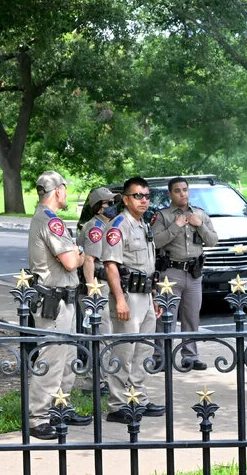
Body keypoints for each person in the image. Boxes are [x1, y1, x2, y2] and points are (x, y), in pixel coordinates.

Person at [26, 170, 92, 439]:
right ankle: (38, 417)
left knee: (67, 359)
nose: (66, 194)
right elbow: (69, 261)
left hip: (63, 299)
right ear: (58, 191)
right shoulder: (51, 222)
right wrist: (80, 253)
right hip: (53, 301)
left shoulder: (44, 218)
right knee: (52, 359)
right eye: (65, 189)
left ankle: (60, 408)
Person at [101, 176, 165, 423]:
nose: (144, 200)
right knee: (124, 351)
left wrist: (154, 297)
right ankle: (118, 405)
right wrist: (119, 300)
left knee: (143, 350)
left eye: (147, 196)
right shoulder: (118, 226)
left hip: (145, 295)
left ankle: (138, 398)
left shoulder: (143, 224)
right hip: (128, 295)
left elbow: (147, 267)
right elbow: (111, 266)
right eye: (138, 196)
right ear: (126, 199)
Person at [151, 177, 218, 370]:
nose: (183, 194)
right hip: (171, 273)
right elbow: (155, 242)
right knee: (166, 317)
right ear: (170, 194)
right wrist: (175, 226)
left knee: (192, 316)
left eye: (185, 190)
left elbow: (213, 241)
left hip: (194, 273)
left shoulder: (200, 214)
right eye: (178, 190)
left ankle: (190, 357)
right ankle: (161, 357)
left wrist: (199, 225)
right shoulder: (162, 216)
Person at [75, 187, 120, 397]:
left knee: (108, 334)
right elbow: (89, 260)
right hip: (98, 286)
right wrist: (93, 290)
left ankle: (106, 376)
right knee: (101, 334)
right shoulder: (95, 228)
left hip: (109, 285)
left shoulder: (108, 225)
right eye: (109, 203)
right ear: (98, 207)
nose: (113, 207)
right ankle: (97, 381)